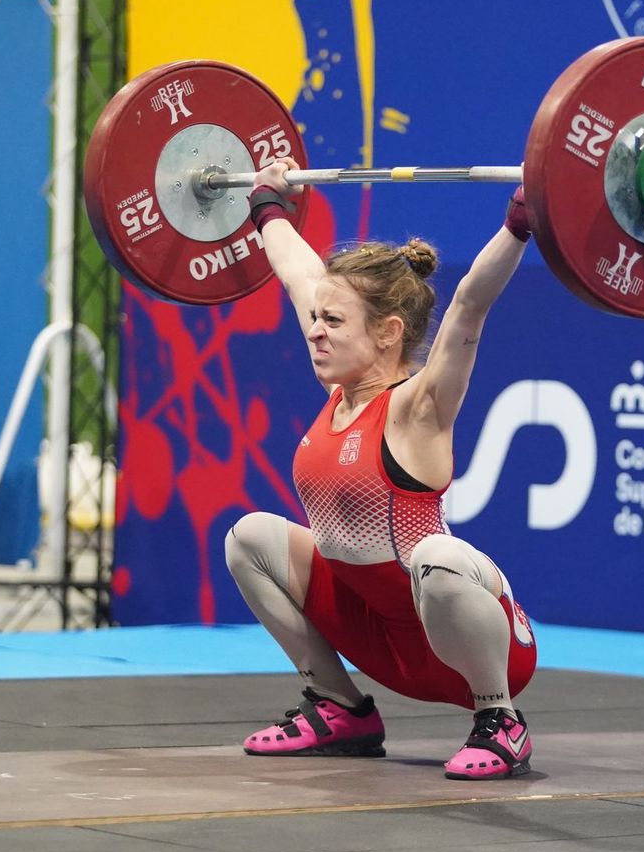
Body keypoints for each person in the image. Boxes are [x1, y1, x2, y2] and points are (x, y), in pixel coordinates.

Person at [224, 156, 539, 781]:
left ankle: (499, 720)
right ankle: (340, 708)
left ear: (389, 333)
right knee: (249, 538)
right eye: (317, 319)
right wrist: (266, 204)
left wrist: (521, 222)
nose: (315, 332)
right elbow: (298, 275)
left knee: (437, 557)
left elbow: (470, 305)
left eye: (332, 322)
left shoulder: (418, 408)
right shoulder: (339, 394)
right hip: (376, 637)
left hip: (456, 641)